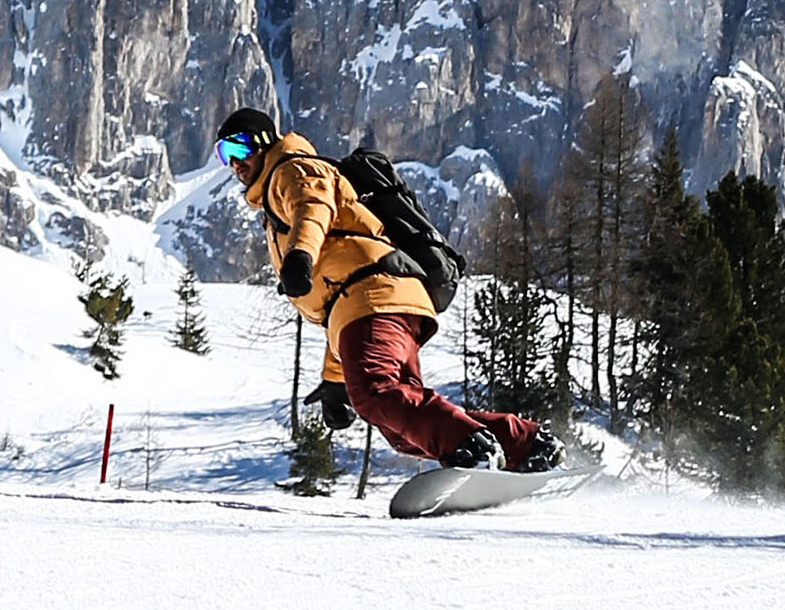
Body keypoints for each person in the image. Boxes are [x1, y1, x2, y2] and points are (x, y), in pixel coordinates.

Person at [217, 106, 557, 474]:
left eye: (239, 147)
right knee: (400, 427)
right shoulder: (279, 189)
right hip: (377, 299)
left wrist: (300, 255)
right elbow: (338, 297)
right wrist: (335, 381)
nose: (234, 162)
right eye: (224, 154)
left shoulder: (292, 169)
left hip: (376, 293)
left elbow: (313, 209)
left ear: (264, 141)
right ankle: (524, 444)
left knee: (377, 394)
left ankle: (471, 446)